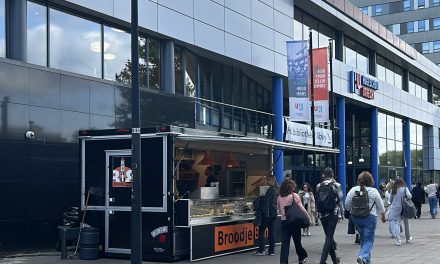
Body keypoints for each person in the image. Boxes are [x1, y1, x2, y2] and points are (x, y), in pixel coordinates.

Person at [345, 171, 386, 264]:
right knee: (369, 240)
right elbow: (381, 206)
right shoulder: (373, 191)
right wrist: (383, 216)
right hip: (370, 217)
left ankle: (367, 261)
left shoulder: (353, 190)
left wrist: (351, 210)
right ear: (371, 180)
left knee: (364, 238)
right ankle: (362, 257)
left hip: (356, 217)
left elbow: (347, 205)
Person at [277, 179, 309, 264]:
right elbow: (301, 207)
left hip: (284, 222)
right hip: (294, 222)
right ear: (291, 187)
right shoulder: (294, 195)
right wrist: (307, 217)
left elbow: (279, 209)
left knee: (285, 244)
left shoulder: (279, 197)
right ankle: (302, 257)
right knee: (297, 242)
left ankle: (283, 262)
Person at [316, 167, 343, 264]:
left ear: (324, 175)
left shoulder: (319, 185)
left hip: (322, 214)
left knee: (328, 237)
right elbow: (340, 201)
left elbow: (317, 200)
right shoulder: (336, 185)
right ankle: (322, 262)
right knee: (329, 237)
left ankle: (334, 260)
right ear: (333, 175)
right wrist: (342, 214)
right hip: (333, 213)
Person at [255, 175, 278, 256]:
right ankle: (271, 251)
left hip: (267, 214)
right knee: (271, 232)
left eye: (268, 180)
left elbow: (267, 203)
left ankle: (261, 250)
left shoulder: (270, 190)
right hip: (274, 213)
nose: (267, 182)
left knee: (261, 231)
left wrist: (266, 214)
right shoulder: (276, 190)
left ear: (272, 181)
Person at [387, 178, 412, 246]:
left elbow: (391, 200)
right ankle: (408, 238)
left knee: (397, 224)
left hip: (395, 209)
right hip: (404, 208)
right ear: (402, 182)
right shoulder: (405, 189)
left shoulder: (393, 190)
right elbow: (410, 196)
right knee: (406, 223)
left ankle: (398, 240)